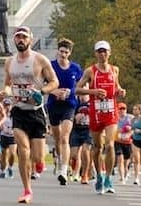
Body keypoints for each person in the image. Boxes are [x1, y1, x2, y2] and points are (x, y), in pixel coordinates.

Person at [3, 25, 59, 203]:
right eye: (18, 37)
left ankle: (40, 163)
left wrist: (41, 92)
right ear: (14, 40)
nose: (21, 40)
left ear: (30, 40)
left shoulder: (40, 60)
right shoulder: (9, 62)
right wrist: (6, 92)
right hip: (19, 110)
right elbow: (7, 83)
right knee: (23, 151)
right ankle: (27, 190)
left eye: (24, 37)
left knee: (37, 157)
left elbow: (54, 82)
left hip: (36, 112)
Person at [75, 39, 125, 195]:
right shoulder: (90, 71)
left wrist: (121, 91)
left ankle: (109, 178)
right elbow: (77, 89)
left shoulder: (114, 70)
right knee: (97, 147)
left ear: (109, 53)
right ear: (96, 53)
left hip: (111, 111)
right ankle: (99, 177)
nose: (102, 54)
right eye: (99, 51)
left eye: (105, 51)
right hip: (96, 113)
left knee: (110, 144)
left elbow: (116, 87)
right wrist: (93, 92)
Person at [46, 37, 83, 185]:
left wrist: (71, 92)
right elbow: (44, 84)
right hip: (54, 104)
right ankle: (60, 160)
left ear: (70, 53)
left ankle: (64, 170)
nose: (63, 55)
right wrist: (54, 92)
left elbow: (80, 86)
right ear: (57, 51)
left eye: (66, 52)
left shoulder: (75, 68)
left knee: (64, 137)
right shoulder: (50, 66)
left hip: (69, 105)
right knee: (57, 139)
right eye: (61, 51)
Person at [68, 104, 93, 184]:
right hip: (76, 130)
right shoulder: (75, 102)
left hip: (88, 130)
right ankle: (75, 171)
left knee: (85, 151)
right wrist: (75, 118)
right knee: (73, 155)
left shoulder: (92, 102)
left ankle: (84, 175)